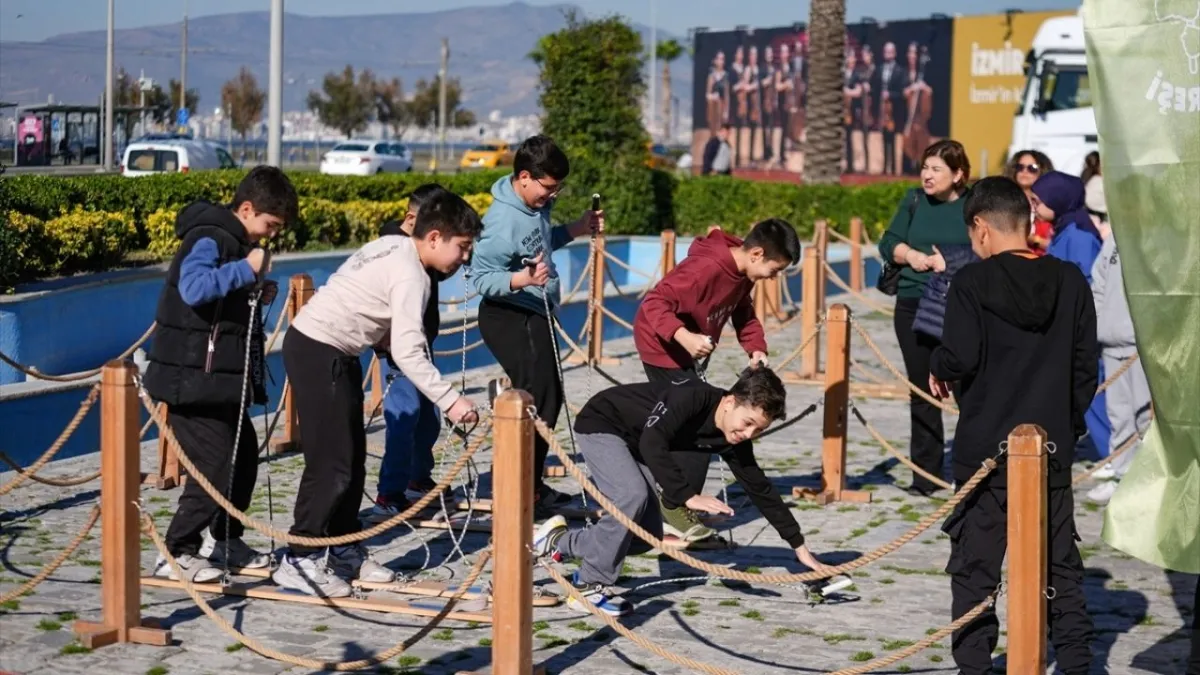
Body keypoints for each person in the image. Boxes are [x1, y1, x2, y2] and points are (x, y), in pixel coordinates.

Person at [274, 191, 483, 598]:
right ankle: (299, 558)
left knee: (351, 460)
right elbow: (408, 351)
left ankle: (343, 548)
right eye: (462, 248)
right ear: (435, 237)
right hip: (319, 350)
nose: (464, 259)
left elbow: (361, 292)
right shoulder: (413, 275)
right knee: (331, 464)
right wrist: (452, 400)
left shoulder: (394, 245)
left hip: (334, 351)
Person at [928, 176, 1097, 675]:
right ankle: (1076, 663)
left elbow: (959, 355)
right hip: (1050, 449)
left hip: (985, 447)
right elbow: (1085, 367)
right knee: (1060, 565)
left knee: (974, 569)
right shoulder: (1070, 281)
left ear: (980, 228)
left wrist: (938, 362)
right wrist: (1066, 425)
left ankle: (976, 667)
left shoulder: (972, 283)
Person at [532, 367, 836, 616]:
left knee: (642, 536)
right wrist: (687, 496)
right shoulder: (694, 397)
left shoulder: (733, 438)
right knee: (633, 496)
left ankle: (557, 540)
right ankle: (586, 584)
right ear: (730, 402)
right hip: (602, 423)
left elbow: (759, 487)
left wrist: (799, 547)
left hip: (637, 443)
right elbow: (653, 439)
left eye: (758, 430)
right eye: (748, 423)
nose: (748, 435)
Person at [145, 166, 298, 583]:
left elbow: (218, 301)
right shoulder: (208, 236)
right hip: (191, 381)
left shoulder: (234, 242)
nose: (269, 235)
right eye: (269, 224)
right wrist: (247, 271)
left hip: (219, 381)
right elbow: (195, 288)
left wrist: (253, 290)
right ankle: (177, 550)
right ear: (246, 208)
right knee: (214, 465)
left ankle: (225, 540)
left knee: (243, 458)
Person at [633, 219, 800, 541]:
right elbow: (654, 303)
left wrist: (756, 348)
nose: (774, 278)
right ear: (756, 254)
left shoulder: (742, 274)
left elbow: (743, 313)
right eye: (775, 270)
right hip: (662, 347)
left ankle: (668, 498)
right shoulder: (705, 268)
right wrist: (684, 337)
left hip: (685, 352)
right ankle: (672, 508)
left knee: (690, 420)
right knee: (700, 426)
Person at [469, 135, 603, 519]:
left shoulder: (536, 204)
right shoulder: (501, 221)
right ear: (524, 177)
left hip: (536, 310)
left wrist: (577, 227)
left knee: (550, 396)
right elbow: (482, 278)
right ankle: (518, 486)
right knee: (538, 398)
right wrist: (521, 281)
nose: (553, 194)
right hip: (507, 313)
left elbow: (542, 242)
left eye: (559, 188)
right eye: (549, 187)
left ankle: (530, 483)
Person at [877, 139, 972, 497]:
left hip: (960, 306)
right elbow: (888, 242)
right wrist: (911, 256)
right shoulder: (913, 199)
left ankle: (971, 470)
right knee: (921, 390)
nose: (928, 176)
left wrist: (951, 259)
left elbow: (985, 247)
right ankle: (927, 475)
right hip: (913, 302)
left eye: (937, 169)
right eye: (925, 168)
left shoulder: (972, 203)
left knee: (967, 389)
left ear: (958, 174)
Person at [369, 184, 454, 520]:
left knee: (429, 417)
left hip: (419, 342)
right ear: (412, 219)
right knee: (404, 417)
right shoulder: (391, 249)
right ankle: (389, 492)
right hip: (396, 346)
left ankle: (416, 478)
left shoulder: (424, 246)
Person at [1030, 170, 1109, 461]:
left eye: (1039, 200)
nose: (1035, 206)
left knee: (1093, 394)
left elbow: (1088, 284)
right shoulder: (1065, 228)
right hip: (1063, 323)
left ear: (1058, 199)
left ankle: (1110, 454)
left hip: (1078, 327)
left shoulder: (1079, 235)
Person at [1084, 231, 1152, 504]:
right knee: (1119, 415)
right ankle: (1122, 476)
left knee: (1145, 417)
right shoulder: (1114, 239)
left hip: (1142, 347)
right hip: (1111, 344)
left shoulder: (1157, 236)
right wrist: (1100, 322)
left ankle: (1149, 482)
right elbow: (1098, 281)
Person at [1003, 149, 1054, 255]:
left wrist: (1033, 239)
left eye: (1032, 168)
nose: (1025, 172)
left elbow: (1057, 245)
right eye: (1020, 167)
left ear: (1043, 171)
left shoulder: (1050, 204)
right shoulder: (1005, 200)